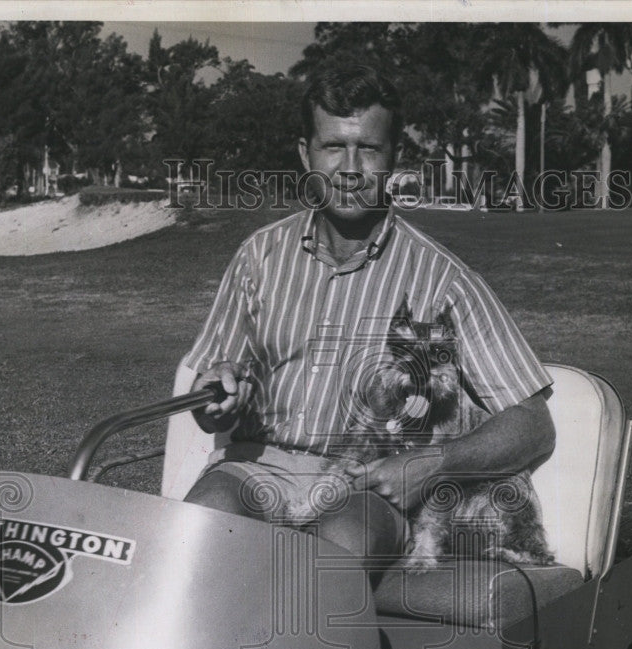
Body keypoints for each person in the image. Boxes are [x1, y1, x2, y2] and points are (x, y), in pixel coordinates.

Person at [182, 63, 555, 565]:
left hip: (367, 488)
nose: (350, 167)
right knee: (197, 530)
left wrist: (435, 464)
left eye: (369, 148)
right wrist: (214, 396)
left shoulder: (443, 279)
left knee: (341, 548)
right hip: (254, 467)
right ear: (305, 154)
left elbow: (533, 425)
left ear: (394, 158)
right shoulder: (258, 257)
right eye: (333, 146)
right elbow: (208, 404)